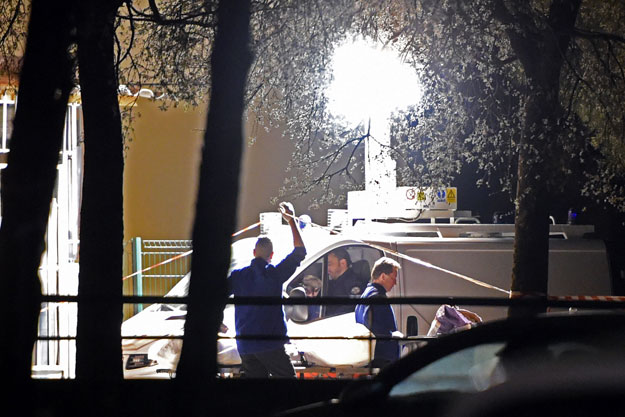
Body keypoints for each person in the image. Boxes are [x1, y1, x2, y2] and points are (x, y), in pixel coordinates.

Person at [228, 202, 306, 378]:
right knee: (288, 382)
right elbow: (300, 252)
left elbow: (216, 295)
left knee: (256, 388)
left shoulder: (238, 276)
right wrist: (291, 221)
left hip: (245, 345)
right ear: (271, 255)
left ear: (254, 252)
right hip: (269, 343)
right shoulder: (275, 275)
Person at [355, 257, 402, 369]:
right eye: (393, 278)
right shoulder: (377, 298)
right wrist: (395, 335)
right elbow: (378, 331)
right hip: (381, 361)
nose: (395, 283)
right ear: (383, 276)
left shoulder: (365, 295)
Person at [325, 248, 363, 316]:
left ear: (343, 263)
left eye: (329, 264)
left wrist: (325, 317)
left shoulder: (353, 283)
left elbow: (350, 309)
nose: (327, 269)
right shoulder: (333, 282)